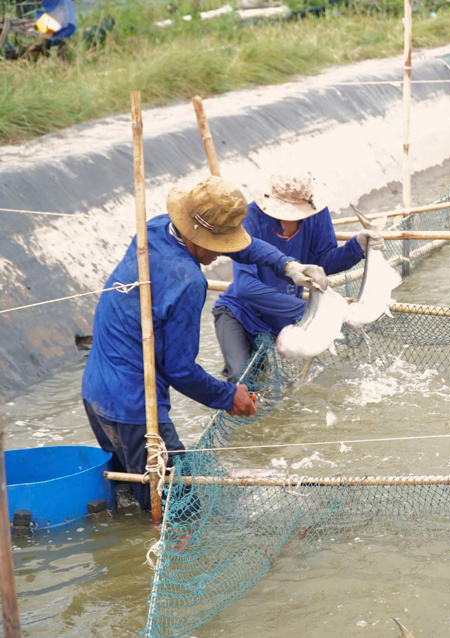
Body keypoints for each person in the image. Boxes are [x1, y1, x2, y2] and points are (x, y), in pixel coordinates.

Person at [82, 175, 328, 511]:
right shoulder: (188, 280)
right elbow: (179, 369)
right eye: (220, 244)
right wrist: (229, 396)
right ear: (198, 237)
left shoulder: (154, 230)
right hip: (136, 407)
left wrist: (287, 264)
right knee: (179, 510)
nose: (223, 253)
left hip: (96, 388)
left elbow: (245, 246)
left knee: (133, 493)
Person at [212, 172, 385, 383]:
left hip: (282, 315)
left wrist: (356, 246)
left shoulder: (315, 213)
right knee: (242, 380)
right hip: (240, 313)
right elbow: (245, 287)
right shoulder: (249, 220)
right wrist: (310, 312)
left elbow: (323, 264)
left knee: (286, 385)